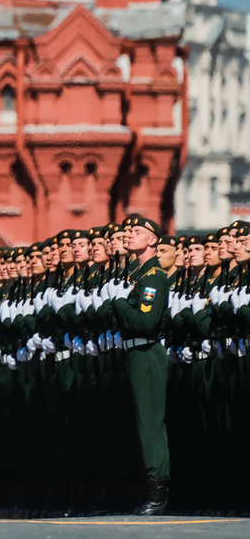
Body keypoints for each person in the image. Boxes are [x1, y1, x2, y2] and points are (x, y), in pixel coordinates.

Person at [112, 215, 171, 515]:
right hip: (135, 353)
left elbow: (145, 323)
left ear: (152, 239)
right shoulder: (137, 274)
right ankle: (148, 490)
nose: (129, 235)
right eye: (128, 231)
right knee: (140, 424)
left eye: (137, 231)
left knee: (150, 425)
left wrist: (120, 304)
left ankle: (158, 494)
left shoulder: (153, 277)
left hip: (147, 353)